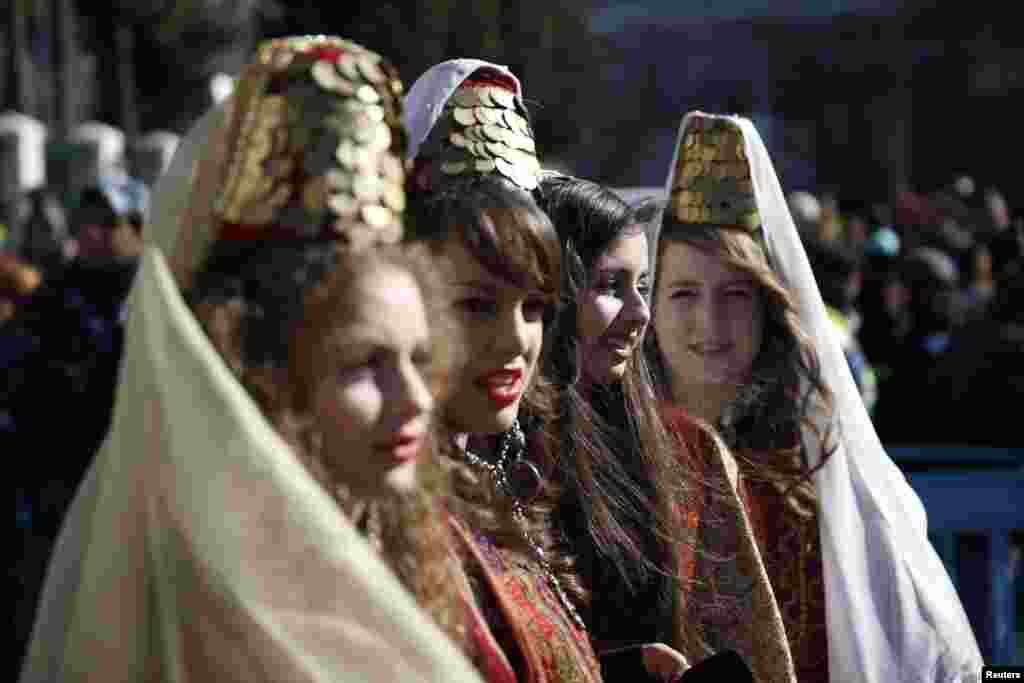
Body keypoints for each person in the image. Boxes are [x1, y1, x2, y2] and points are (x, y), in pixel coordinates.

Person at [19, 36, 485, 683]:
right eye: (361, 364)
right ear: (259, 377)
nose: (416, 399)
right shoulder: (193, 617)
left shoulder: (405, 546)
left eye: (420, 357)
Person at [646, 111, 983, 683]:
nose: (710, 320)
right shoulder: (617, 461)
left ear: (767, 309)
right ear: (650, 307)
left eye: (735, 293)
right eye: (683, 293)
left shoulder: (819, 473)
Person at [404, 60, 602, 683]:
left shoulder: (494, 480)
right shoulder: (386, 515)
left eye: (534, 307)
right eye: (475, 305)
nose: (516, 339)